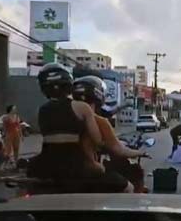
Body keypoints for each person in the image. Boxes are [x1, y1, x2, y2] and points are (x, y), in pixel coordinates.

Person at [27, 63, 132, 193]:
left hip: (44, 164)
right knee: (127, 187)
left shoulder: (41, 110)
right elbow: (98, 140)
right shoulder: (82, 107)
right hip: (75, 165)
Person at [72, 76, 148, 192]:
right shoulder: (99, 121)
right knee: (129, 188)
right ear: (99, 95)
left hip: (62, 168)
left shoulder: (64, 117)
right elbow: (119, 150)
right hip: (88, 171)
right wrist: (140, 152)